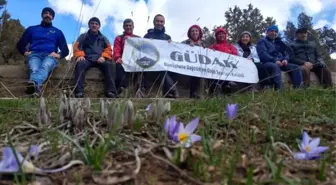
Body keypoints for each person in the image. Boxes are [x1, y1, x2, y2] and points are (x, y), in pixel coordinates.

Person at [16, 7, 69, 96]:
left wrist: (58, 55)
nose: (48, 15)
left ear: (53, 17)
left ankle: (33, 85)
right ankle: (36, 91)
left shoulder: (57, 32)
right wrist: (25, 52)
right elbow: (20, 45)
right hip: (34, 55)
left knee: (45, 66)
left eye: (50, 14)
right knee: (34, 69)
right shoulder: (32, 29)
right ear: (42, 15)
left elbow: (65, 50)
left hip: (50, 56)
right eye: (46, 13)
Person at [72, 17, 116, 98]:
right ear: (89, 25)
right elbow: (76, 47)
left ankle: (111, 91)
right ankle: (79, 91)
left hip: (100, 59)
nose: (94, 25)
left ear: (99, 26)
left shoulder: (103, 38)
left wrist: (103, 57)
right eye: (92, 23)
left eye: (96, 24)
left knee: (109, 65)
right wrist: (80, 55)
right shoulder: (83, 36)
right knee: (80, 64)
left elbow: (109, 49)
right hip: (87, 58)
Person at [256, 25, 303, 90]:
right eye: (271, 31)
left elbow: (285, 53)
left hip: (281, 63)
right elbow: (262, 54)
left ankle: (299, 88)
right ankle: (279, 90)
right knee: (275, 66)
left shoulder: (279, 42)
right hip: (268, 62)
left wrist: (285, 59)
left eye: (276, 31)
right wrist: (274, 60)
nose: (274, 33)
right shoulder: (262, 41)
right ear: (267, 32)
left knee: (296, 67)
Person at [143, 14, 178, 98]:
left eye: (161, 21)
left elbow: (171, 52)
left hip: (164, 63)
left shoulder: (167, 37)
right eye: (157, 21)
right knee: (161, 68)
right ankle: (172, 90)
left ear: (164, 23)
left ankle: (168, 92)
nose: (159, 23)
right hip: (151, 64)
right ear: (154, 22)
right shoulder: (147, 36)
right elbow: (143, 50)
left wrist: (171, 44)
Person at [113, 18, 140, 95]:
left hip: (135, 61)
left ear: (133, 27)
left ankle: (139, 90)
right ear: (123, 27)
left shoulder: (138, 38)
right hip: (123, 60)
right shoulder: (119, 38)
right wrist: (117, 57)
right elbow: (116, 49)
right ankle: (120, 91)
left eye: (130, 25)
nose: (128, 27)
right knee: (119, 67)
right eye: (126, 25)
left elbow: (143, 49)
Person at [208, 27, 238, 95]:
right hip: (216, 68)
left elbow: (235, 56)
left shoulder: (230, 46)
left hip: (228, 67)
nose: (221, 35)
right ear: (216, 36)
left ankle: (227, 87)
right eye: (219, 34)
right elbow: (209, 56)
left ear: (225, 35)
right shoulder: (213, 46)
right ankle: (216, 88)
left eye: (223, 34)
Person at [181, 25, 205, 99]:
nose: (195, 33)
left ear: (199, 33)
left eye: (196, 31)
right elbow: (177, 48)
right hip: (187, 64)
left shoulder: (203, 44)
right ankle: (192, 93)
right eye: (192, 31)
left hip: (199, 66)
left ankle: (195, 93)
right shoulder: (185, 42)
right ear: (190, 33)